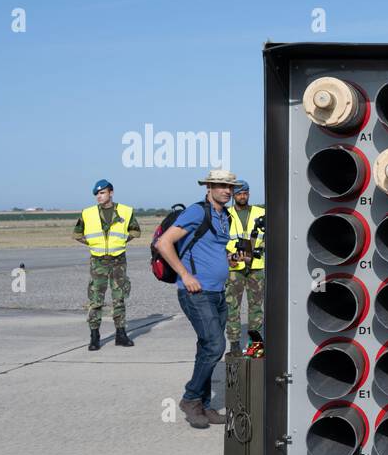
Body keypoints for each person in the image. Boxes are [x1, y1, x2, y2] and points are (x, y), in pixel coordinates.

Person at [155, 169, 239, 430]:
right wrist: (185, 274)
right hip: (196, 292)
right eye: (221, 185)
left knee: (206, 347)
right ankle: (190, 398)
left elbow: (211, 249)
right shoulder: (196, 211)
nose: (227, 190)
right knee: (215, 345)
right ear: (209, 187)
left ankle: (202, 404)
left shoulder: (224, 215)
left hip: (217, 291)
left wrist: (231, 261)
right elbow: (164, 243)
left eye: (230, 187)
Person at [74, 179, 139, 350]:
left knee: (119, 298)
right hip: (98, 262)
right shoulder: (87, 213)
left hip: (118, 261)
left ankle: (121, 334)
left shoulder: (125, 211)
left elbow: (135, 230)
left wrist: (124, 240)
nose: (99, 197)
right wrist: (93, 245)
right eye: (97, 194)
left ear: (111, 192)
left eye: (102, 193)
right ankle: (94, 336)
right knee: (96, 300)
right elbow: (77, 234)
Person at [225, 180, 265, 354]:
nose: (243, 196)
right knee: (232, 306)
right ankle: (234, 342)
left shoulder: (261, 212)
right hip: (234, 267)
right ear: (234, 195)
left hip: (256, 266)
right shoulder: (225, 214)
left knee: (256, 306)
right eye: (239, 193)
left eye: (245, 193)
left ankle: (255, 345)